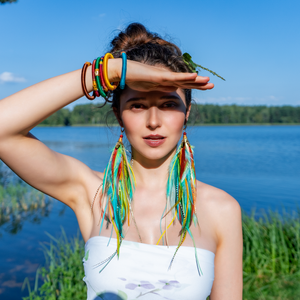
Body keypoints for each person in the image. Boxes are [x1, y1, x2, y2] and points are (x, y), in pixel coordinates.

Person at [0, 23, 243, 299]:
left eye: (168, 104)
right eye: (137, 105)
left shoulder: (222, 210)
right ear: (118, 114)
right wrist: (110, 71)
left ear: (186, 111)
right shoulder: (92, 193)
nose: (153, 122)